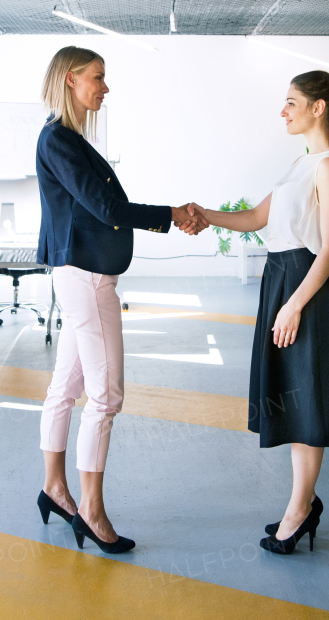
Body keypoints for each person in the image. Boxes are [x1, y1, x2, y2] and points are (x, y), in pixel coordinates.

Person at [34, 45, 206, 554]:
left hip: (79, 274)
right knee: (105, 396)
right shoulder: (60, 140)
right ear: (70, 79)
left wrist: (169, 214)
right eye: (97, 77)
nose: (105, 87)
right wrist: (171, 213)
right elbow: (106, 206)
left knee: (65, 388)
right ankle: (90, 508)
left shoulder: (64, 138)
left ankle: (54, 487)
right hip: (87, 278)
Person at [189, 71, 329, 555]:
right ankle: (301, 504)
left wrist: (292, 305)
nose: (283, 111)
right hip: (284, 283)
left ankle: (300, 509)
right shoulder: (301, 164)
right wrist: (203, 215)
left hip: (303, 291)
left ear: (319, 108)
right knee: (294, 402)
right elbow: (254, 219)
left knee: (307, 404)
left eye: (291, 102)